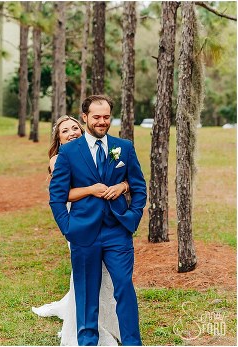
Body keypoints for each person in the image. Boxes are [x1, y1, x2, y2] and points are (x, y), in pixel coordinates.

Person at [49, 96, 147, 346]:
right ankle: (88, 342)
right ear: (85, 118)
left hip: (117, 231)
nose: (102, 122)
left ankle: (132, 342)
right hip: (83, 232)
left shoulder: (123, 147)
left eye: (106, 117)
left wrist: (133, 217)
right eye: (96, 117)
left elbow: (138, 186)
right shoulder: (69, 152)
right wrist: (68, 229)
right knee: (86, 293)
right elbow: (57, 196)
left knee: (124, 286)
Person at [33, 115, 126, 345]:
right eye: (65, 131)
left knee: (105, 276)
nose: (72, 132)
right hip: (79, 222)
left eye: (75, 127)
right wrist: (92, 189)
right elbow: (62, 194)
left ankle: (107, 322)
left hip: (102, 222)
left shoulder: (90, 151)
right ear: (59, 138)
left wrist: (122, 185)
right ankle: (84, 329)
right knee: (85, 276)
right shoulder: (58, 159)